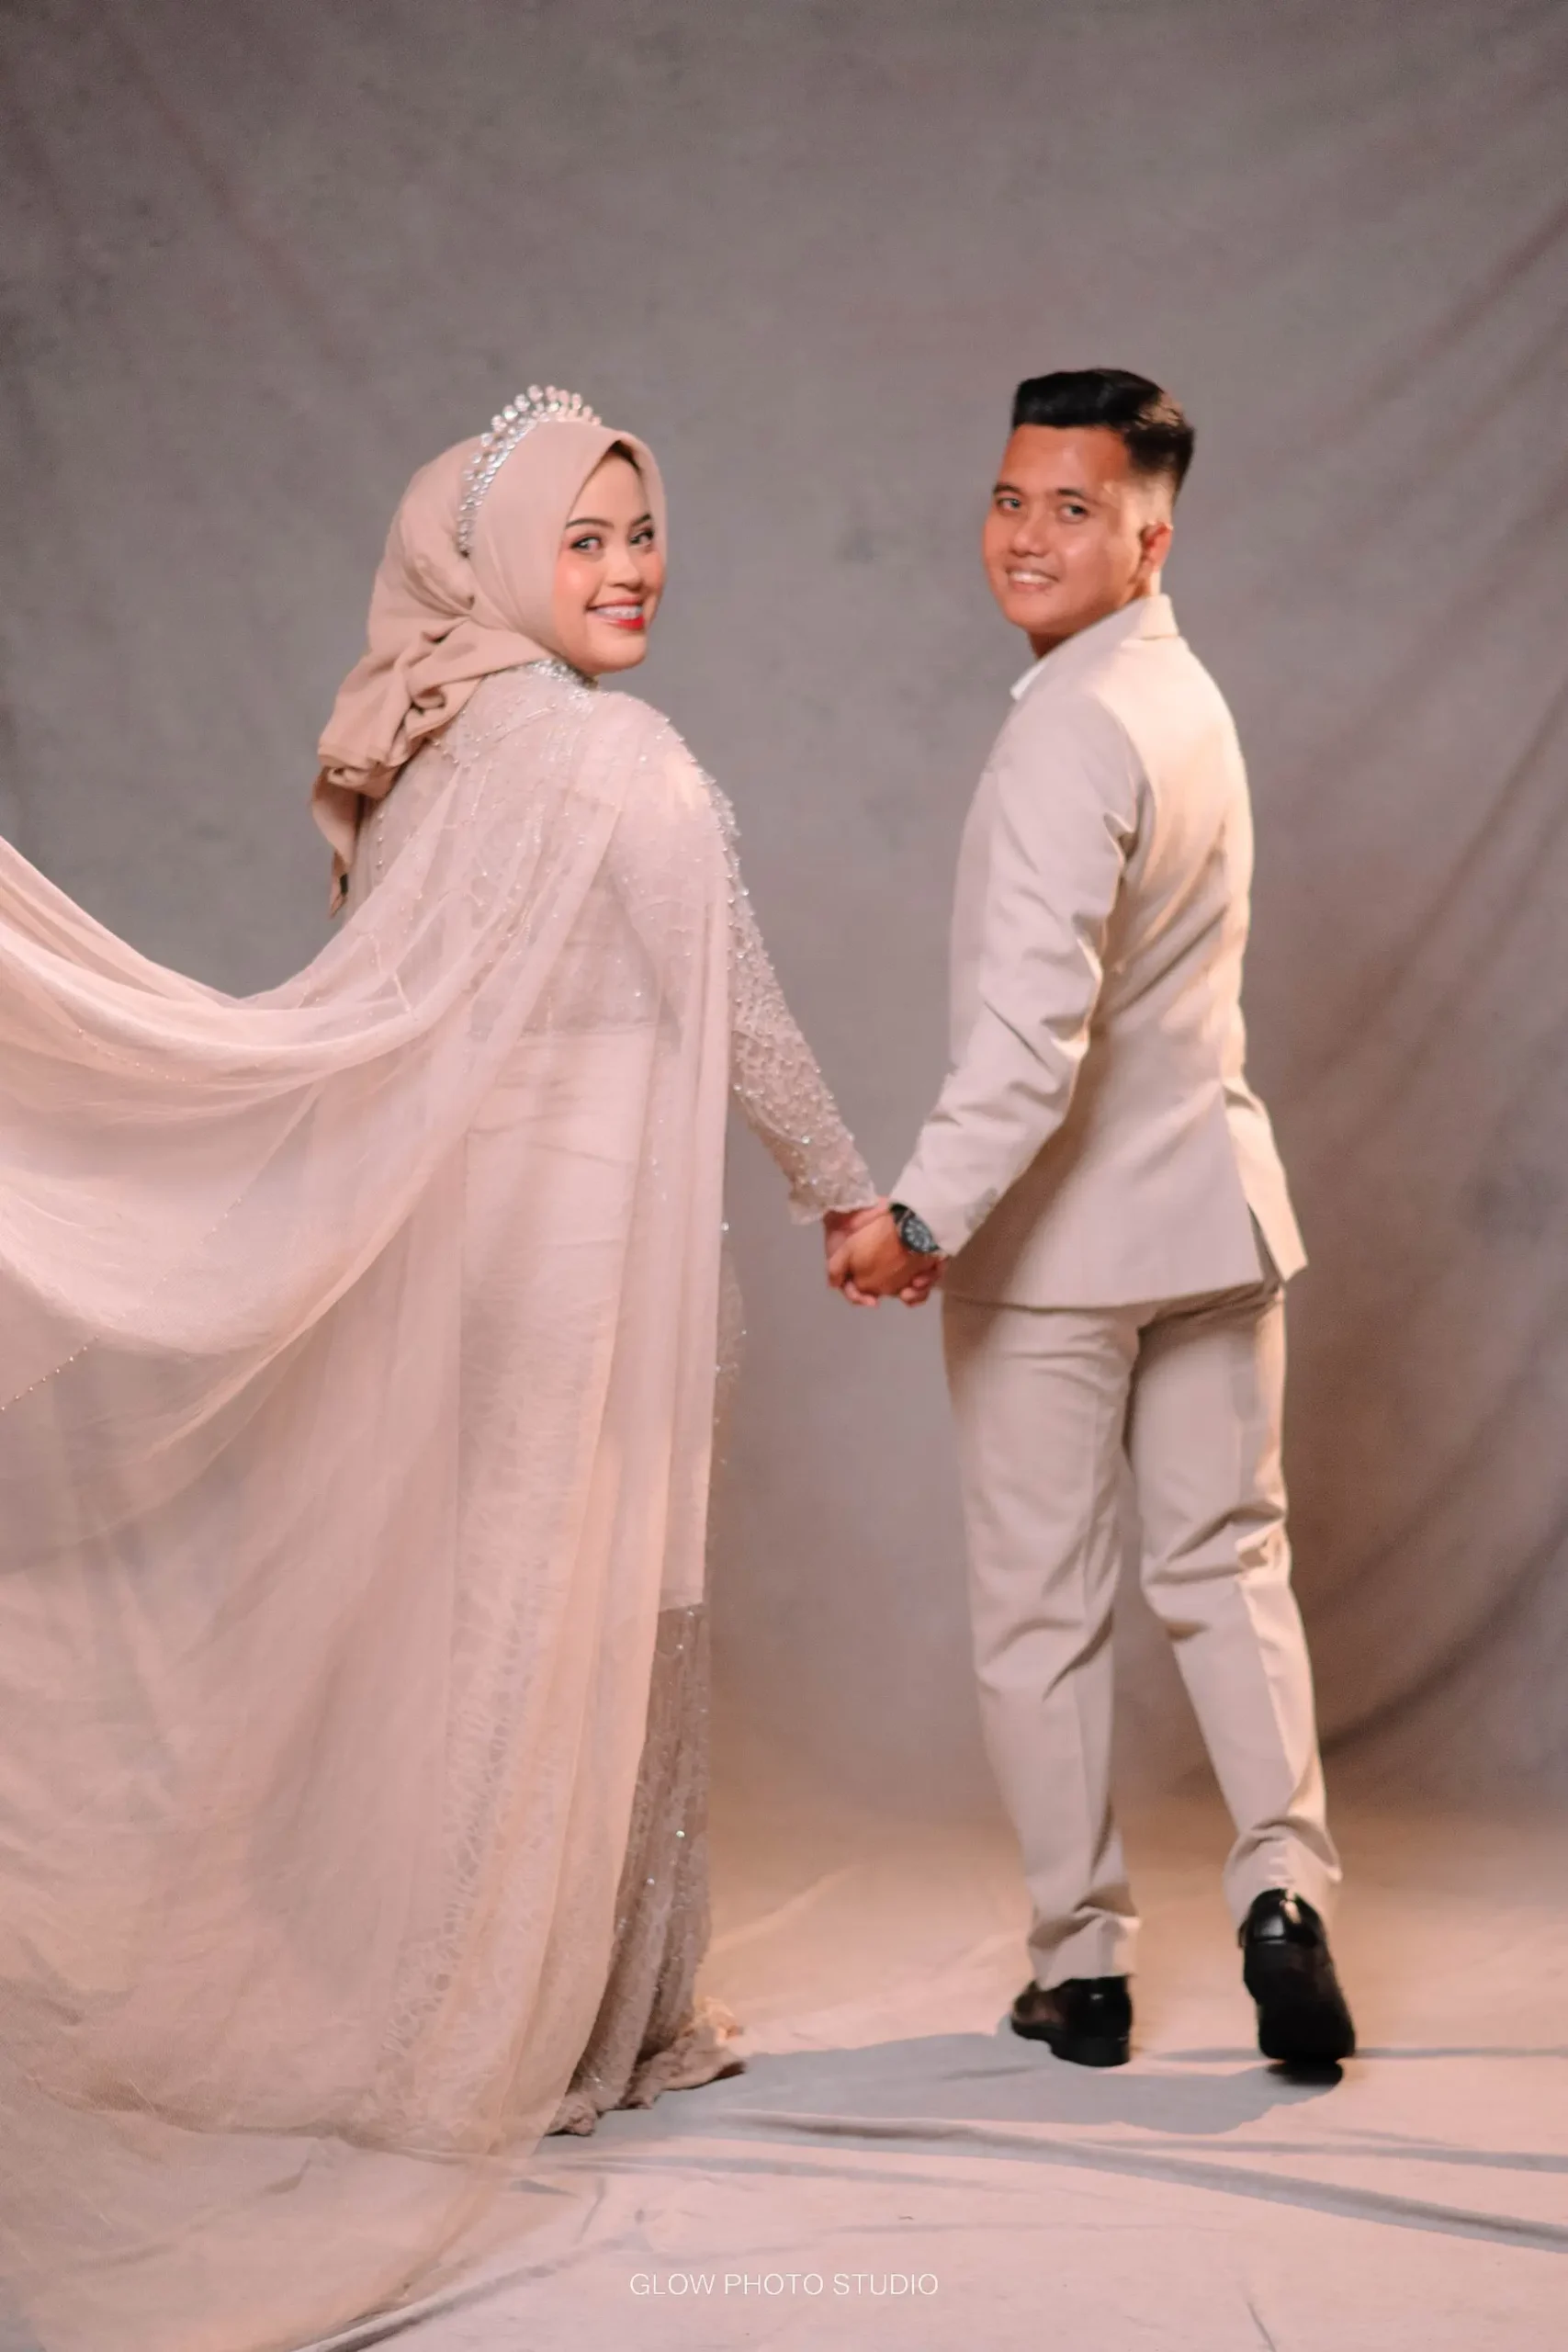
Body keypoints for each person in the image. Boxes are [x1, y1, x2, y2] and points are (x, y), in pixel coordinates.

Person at [0, 389, 878, 2352]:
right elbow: (736, 1006)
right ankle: (508, 2025)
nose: (632, 569)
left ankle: (564, 2000)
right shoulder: (612, 755)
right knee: (588, 1605)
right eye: (586, 537)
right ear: (494, 561)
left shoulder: (429, 743)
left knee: (499, 1603)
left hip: (467, 1251)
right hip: (585, 1255)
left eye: (642, 531)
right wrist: (846, 1188)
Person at [831, 368, 1355, 2072]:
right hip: (1216, 1223)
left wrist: (918, 1216)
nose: (1024, 537)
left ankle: (1085, 1968)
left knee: (1043, 1612)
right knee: (1229, 1571)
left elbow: (1029, 1043)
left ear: (1151, 536)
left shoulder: (1069, 726)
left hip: (1064, 1252)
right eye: (1009, 498)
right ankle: (1283, 1894)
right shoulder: (1186, 695)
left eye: (1072, 509)